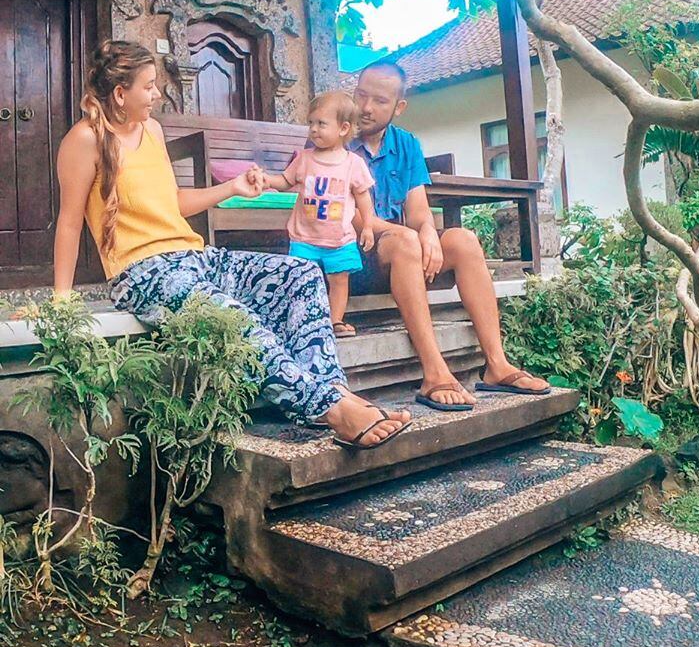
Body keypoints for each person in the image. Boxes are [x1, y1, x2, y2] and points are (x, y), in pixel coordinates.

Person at [53, 40, 409, 450]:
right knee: (234, 315)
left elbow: (175, 205)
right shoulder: (84, 140)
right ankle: (332, 410)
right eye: (149, 86)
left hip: (194, 257)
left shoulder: (151, 130)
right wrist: (62, 302)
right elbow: (68, 223)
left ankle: (333, 391)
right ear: (120, 93)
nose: (157, 93)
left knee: (301, 273)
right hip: (142, 274)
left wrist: (232, 187)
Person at [350, 61, 550, 411]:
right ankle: (434, 373)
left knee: (462, 240)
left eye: (379, 101)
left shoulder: (406, 144)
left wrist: (427, 232)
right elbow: (348, 217)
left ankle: (497, 365)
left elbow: (418, 211)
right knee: (405, 241)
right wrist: (411, 236)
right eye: (361, 95)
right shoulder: (337, 135)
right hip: (352, 258)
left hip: (401, 256)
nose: (366, 108)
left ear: (399, 107)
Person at [263, 91, 374, 339]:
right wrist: (265, 179)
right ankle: (303, 319)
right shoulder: (304, 159)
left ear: (343, 128)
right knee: (301, 279)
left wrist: (367, 226)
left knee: (338, 280)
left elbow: (363, 196)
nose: (313, 129)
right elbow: (284, 180)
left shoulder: (352, 163)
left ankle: (334, 321)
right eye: (310, 123)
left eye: (321, 124)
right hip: (305, 237)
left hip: (340, 239)